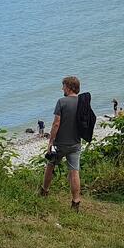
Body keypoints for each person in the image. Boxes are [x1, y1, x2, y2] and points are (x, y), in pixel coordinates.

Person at [41, 75, 82, 210]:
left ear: (69, 87)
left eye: (63, 86)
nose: (62, 88)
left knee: (50, 164)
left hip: (60, 144)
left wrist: (51, 142)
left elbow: (56, 123)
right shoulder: (82, 102)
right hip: (76, 143)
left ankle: (44, 191)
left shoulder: (62, 102)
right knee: (74, 171)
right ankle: (75, 202)